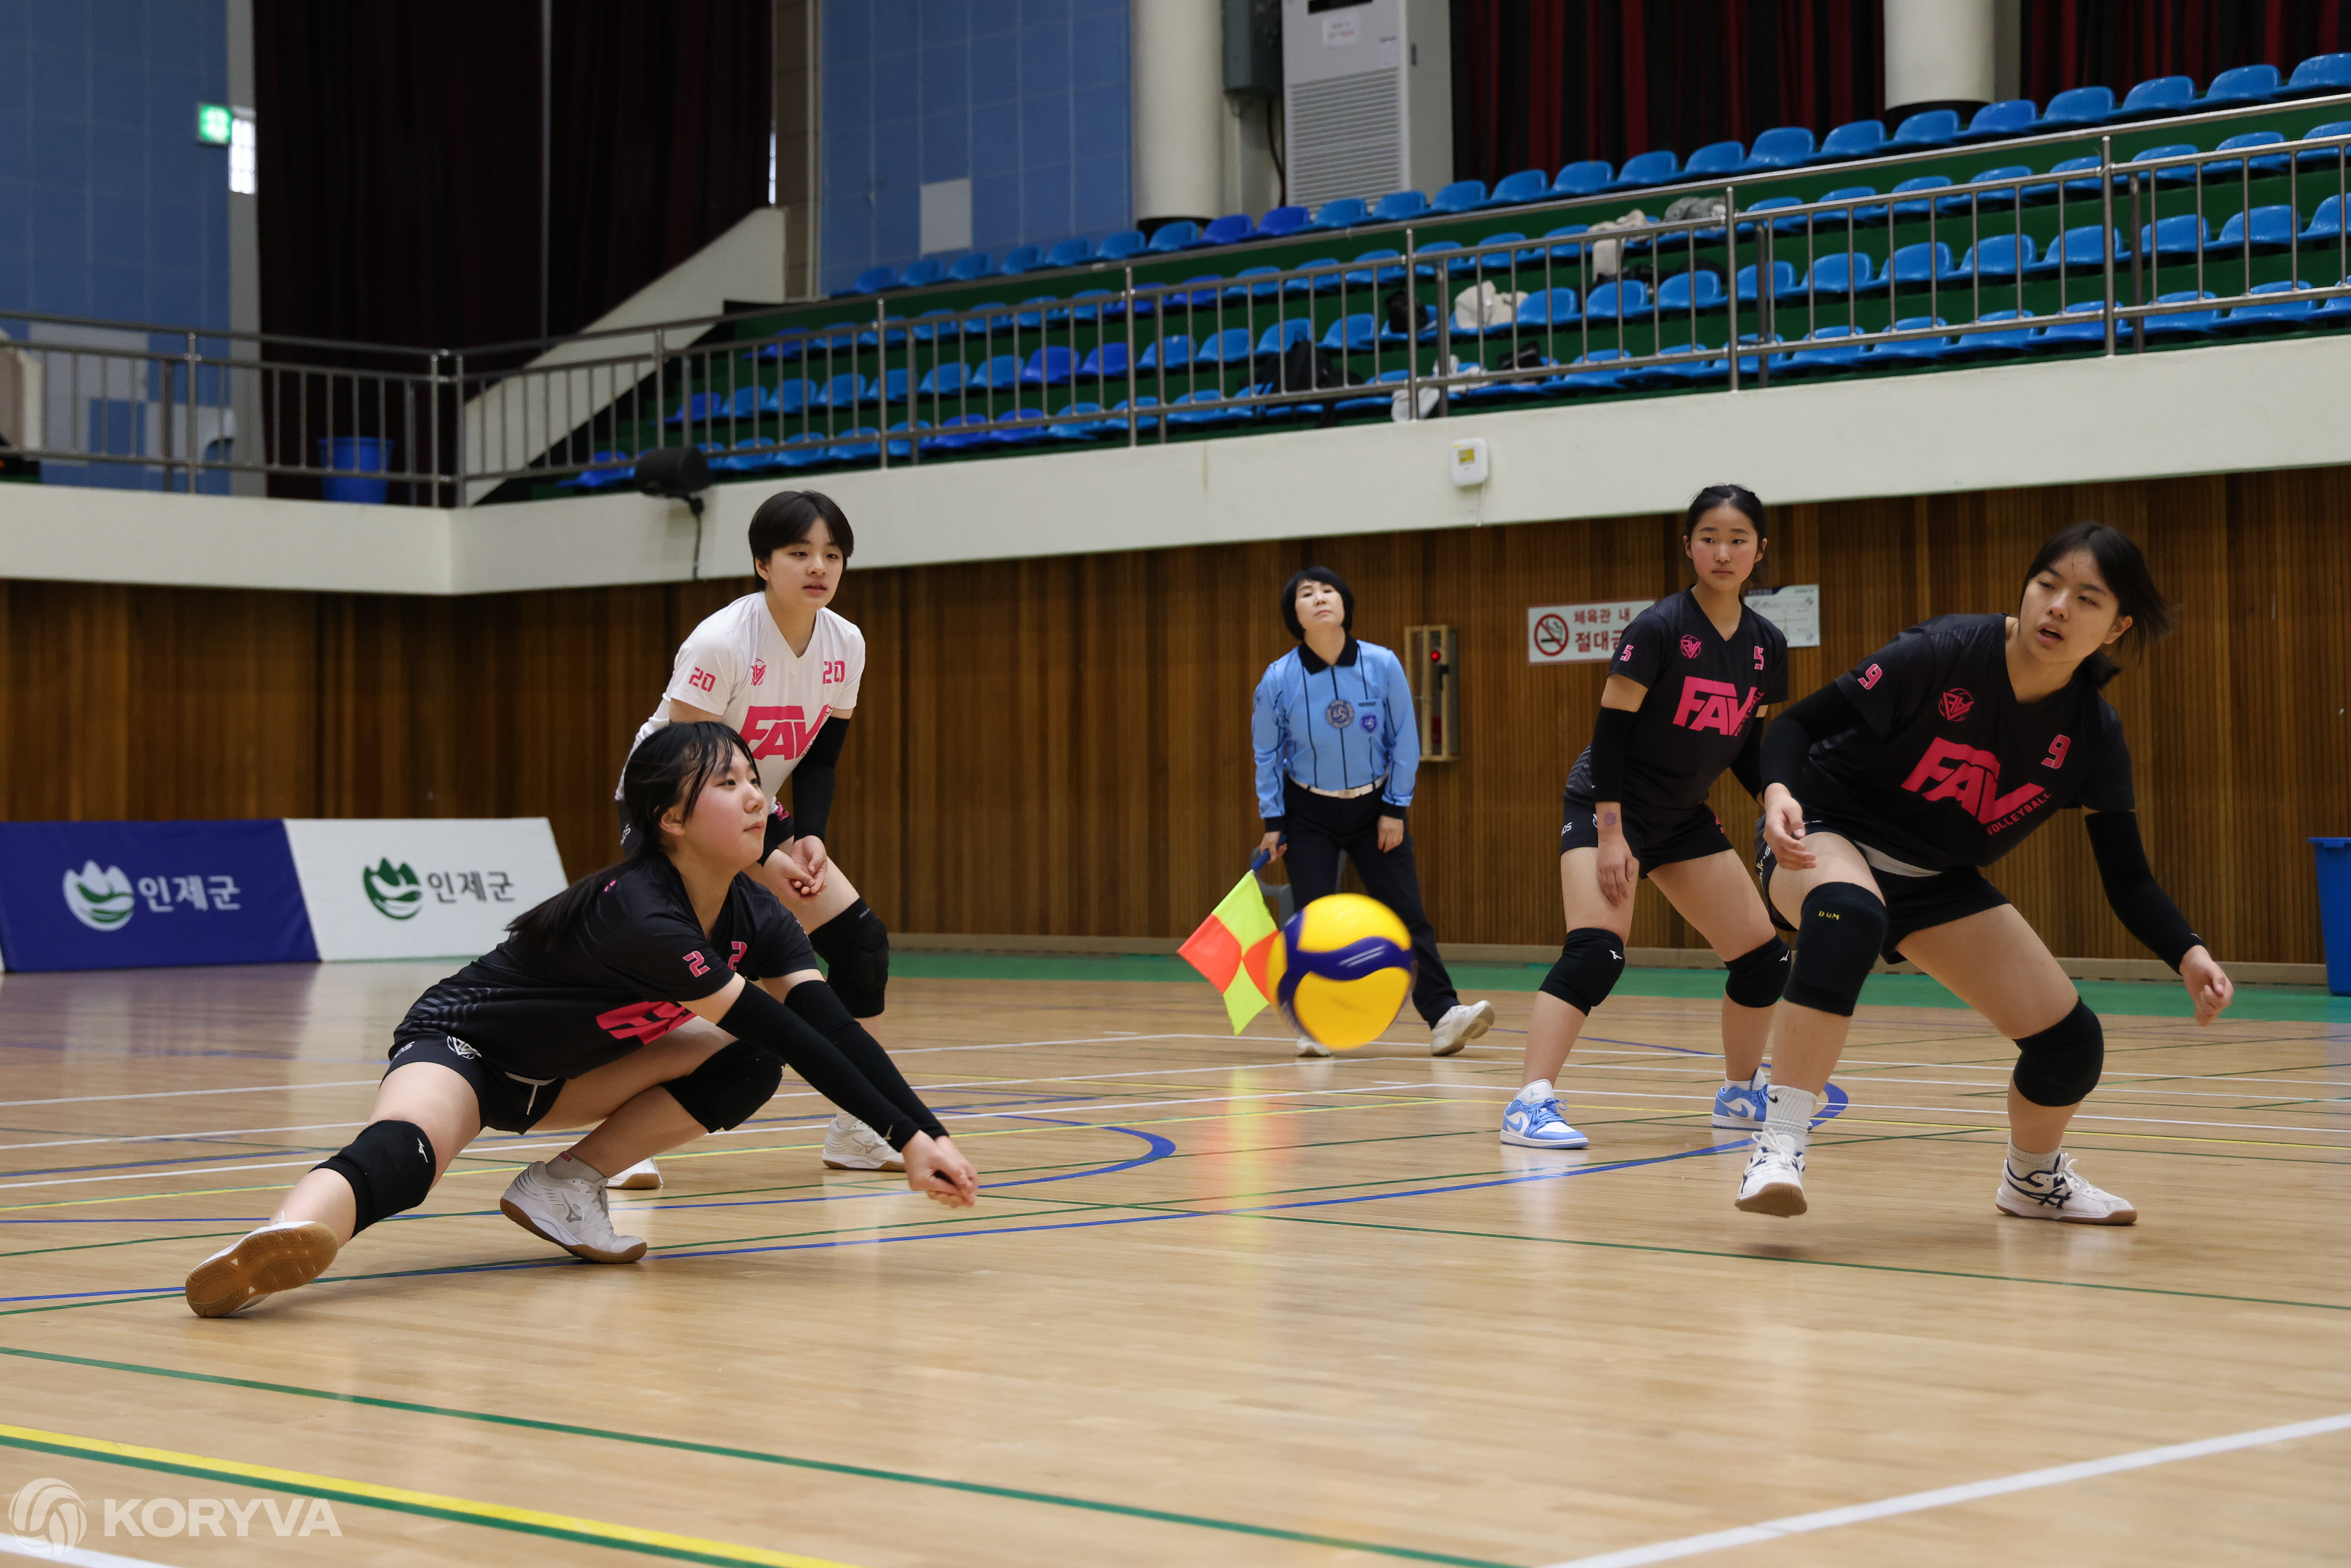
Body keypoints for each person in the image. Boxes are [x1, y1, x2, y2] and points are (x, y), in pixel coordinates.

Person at [182, 722, 978, 1320]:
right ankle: (281, 1239)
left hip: (569, 1080)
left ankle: (567, 1184)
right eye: (729, 782)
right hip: (465, 1049)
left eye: (755, 780)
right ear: (670, 817)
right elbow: (796, 1033)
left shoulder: (753, 913)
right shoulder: (641, 913)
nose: (758, 797)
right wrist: (907, 1140)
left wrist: (924, 1134)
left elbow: (832, 1029)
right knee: (404, 1155)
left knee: (745, 1061)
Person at [1739, 522, 2234, 1222]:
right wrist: (1778, 795)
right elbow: (1792, 728)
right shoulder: (1945, 650)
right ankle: (1779, 1144)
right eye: (2047, 585)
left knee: (2070, 1043)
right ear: (2027, 592)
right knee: (1851, 915)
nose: (2059, 606)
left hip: (1935, 876)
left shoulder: (2093, 733)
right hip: (1825, 832)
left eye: (2086, 599)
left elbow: (2129, 878)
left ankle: (2032, 1180)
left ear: (2117, 626)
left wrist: (2189, 954)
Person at [614, 489, 897, 1187]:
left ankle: (859, 1127)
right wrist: (766, 853)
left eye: (832, 554)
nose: (818, 567)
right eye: (799, 552)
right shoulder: (721, 642)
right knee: (666, 970)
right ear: (762, 563)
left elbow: (823, 756)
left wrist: (810, 840)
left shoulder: (846, 642)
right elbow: (690, 765)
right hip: (673, 805)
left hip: (753, 807)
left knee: (860, 943)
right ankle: (620, 1141)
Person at [1502, 485, 1793, 1149]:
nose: (1724, 552)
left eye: (1738, 539)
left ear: (1760, 551)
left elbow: (1749, 745)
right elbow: (1610, 734)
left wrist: (1775, 794)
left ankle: (1739, 1096)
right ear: (1688, 546)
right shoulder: (1660, 628)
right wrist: (1610, 833)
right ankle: (1528, 1104)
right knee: (1597, 950)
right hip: (1609, 806)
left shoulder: (1765, 645)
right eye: (1710, 538)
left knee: (1763, 960)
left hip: (1682, 816)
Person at [1253, 567, 1495, 1058]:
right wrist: (1274, 822)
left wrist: (1394, 808)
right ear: (1294, 615)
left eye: (1329, 590)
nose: (1321, 598)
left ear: (1344, 604)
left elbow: (1404, 739)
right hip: (1307, 812)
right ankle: (1312, 1023)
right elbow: (1265, 752)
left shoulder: (1382, 664)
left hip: (1376, 809)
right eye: (1307, 593)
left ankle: (1444, 1015)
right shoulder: (1278, 678)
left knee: (1408, 913)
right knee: (1312, 921)